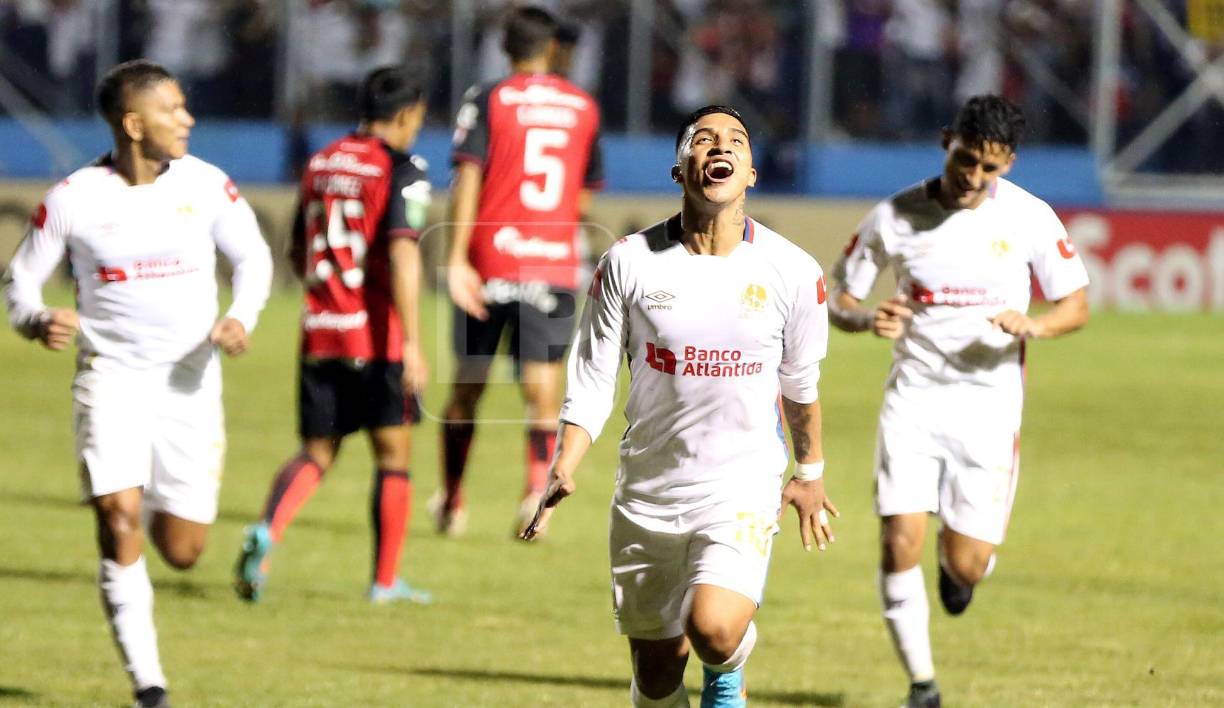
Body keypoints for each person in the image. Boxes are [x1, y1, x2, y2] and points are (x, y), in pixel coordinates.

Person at [520, 105, 839, 708]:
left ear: (751, 173)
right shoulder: (627, 262)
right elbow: (593, 377)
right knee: (656, 675)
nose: (720, 147)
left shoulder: (793, 271)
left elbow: (800, 383)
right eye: (703, 139)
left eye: (736, 141)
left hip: (741, 484)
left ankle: (728, 666)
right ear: (678, 169)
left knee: (713, 627)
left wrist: (810, 472)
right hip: (649, 490)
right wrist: (564, 462)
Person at [2, 59, 272, 708]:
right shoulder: (74, 198)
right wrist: (37, 320)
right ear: (132, 124)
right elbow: (19, 283)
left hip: (189, 387)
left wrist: (240, 316)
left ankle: (146, 494)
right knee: (116, 516)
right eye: (171, 109)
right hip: (110, 379)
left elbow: (253, 258)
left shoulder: (206, 184)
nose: (187, 119)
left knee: (182, 550)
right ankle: (149, 687)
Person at [828, 95, 1090, 708]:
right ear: (947, 141)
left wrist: (1035, 325)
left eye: (988, 168)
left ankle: (959, 570)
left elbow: (1075, 305)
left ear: (1009, 163)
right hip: (914, 399)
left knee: (967, 563)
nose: (973, 177)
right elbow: (840, 299)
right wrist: (866, 320)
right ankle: (923, 686)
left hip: (989, 409)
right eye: (965, 160)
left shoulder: (1030, 218)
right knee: (898, 541)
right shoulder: (895, 216)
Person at [233, 66, 433, 605]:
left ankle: (267, 530)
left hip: (321, 330)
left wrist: (328, 297)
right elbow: (403, 252)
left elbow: (298, 248)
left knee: (317, 452)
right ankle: (384, 582)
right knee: (393, 457)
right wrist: (414, 343)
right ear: (406, 114)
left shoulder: (321, 161)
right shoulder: (403, 169)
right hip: (377, 336)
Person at [436, 5, 603, 537]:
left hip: (490, 260)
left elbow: (467, 178)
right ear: (552, 49)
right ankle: (534, 495)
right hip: (551, 263)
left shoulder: (488, 98)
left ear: (504, 48)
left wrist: (456, 257)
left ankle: (452, 502)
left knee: (467, 386)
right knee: (542, 387)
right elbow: (582, 197)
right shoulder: (583, 106)